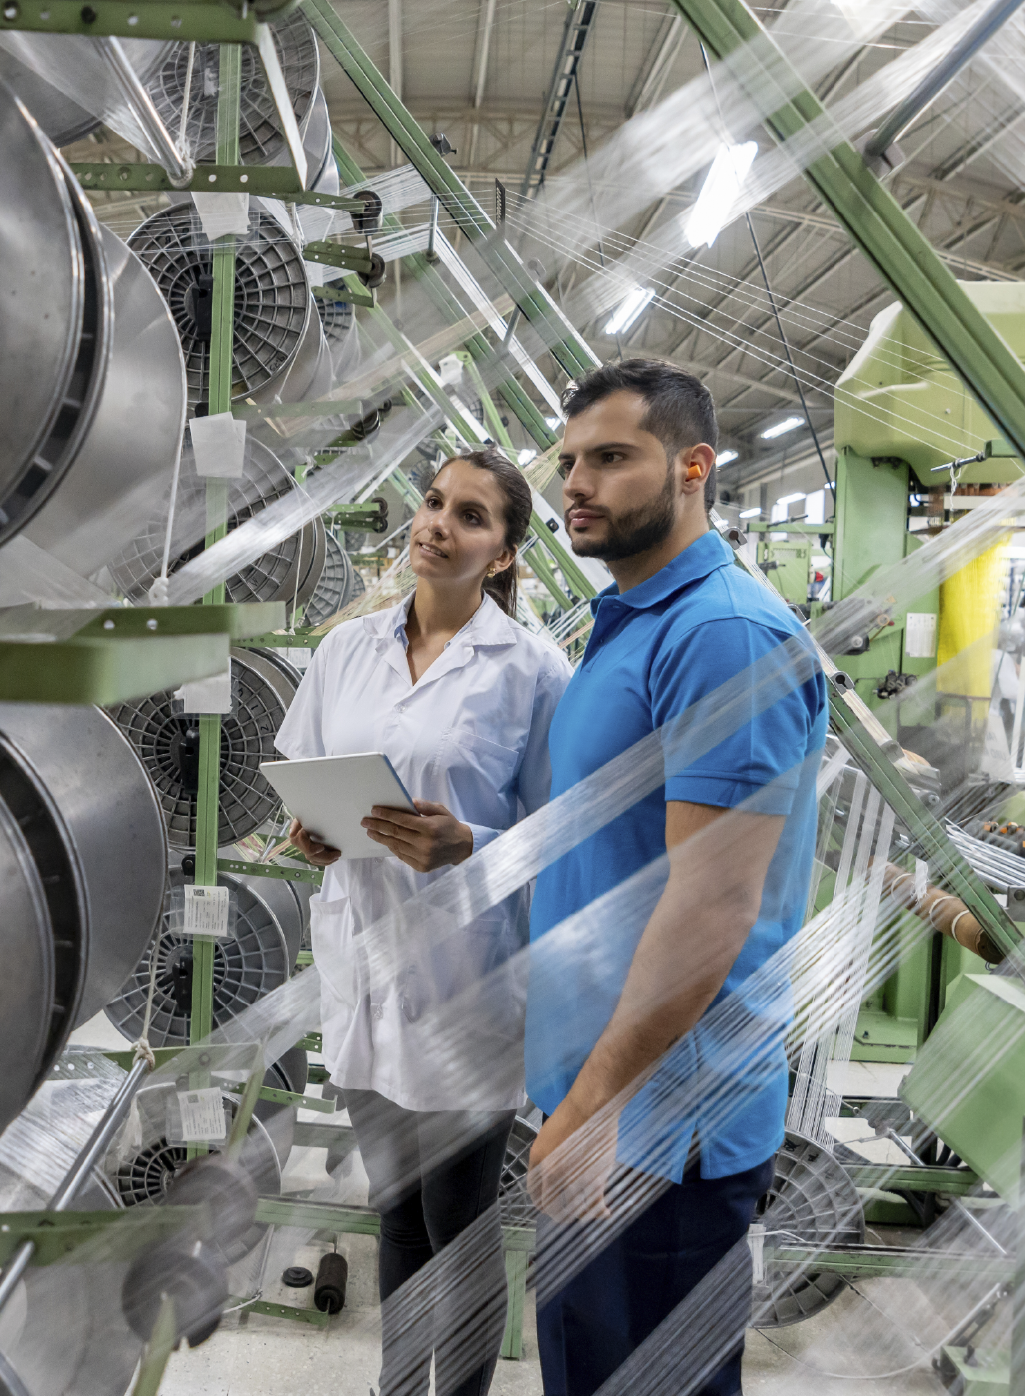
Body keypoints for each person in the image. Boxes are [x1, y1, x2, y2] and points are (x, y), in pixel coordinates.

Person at [524, 360, 829, 1396]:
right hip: (612, 1105)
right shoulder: (629, 623)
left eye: (611, 458)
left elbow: (710, 908)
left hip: (661, 1132)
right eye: (570, 461)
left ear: (692, 467)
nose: (578, 483)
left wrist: (592, 1107)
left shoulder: (721, 637)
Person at [271, 448, 571, 1396]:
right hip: (362, 968)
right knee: (395, 1211)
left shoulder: (530, 670)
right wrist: (313, 836)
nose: (438, 523)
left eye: (471, 516)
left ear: (505, 555)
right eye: (434, 502)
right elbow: (317, 787)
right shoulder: (344, 651)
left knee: (460, 1224)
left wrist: (471, 842)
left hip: (466, 982)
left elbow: (565, 829)